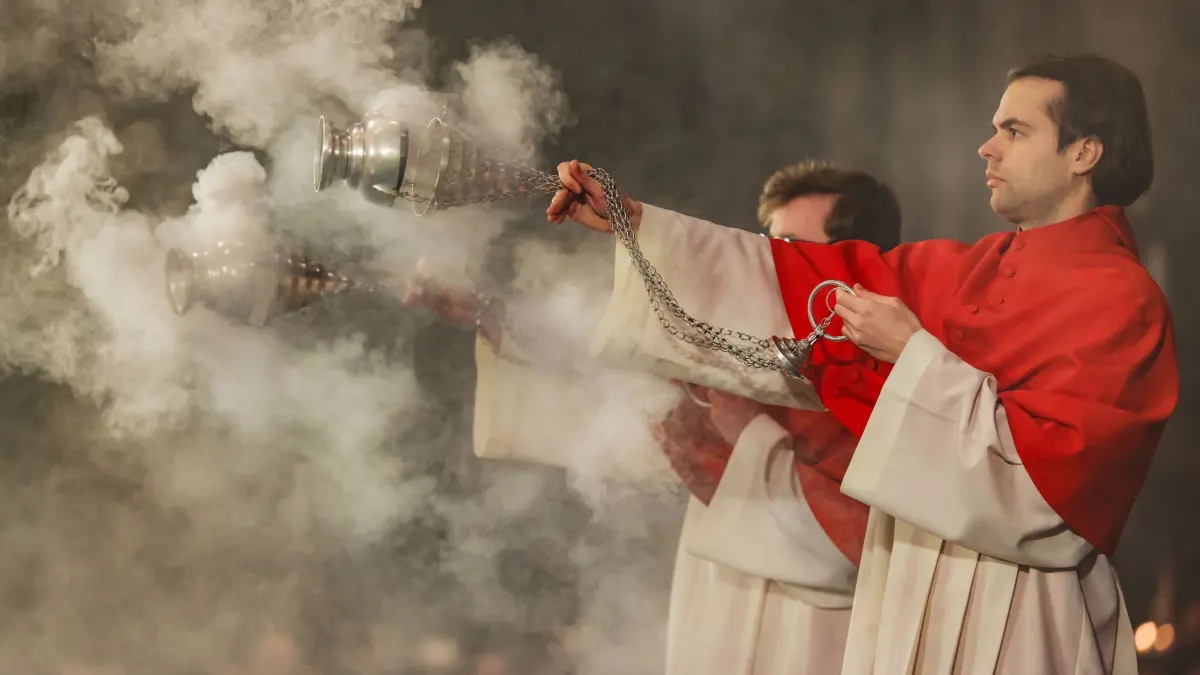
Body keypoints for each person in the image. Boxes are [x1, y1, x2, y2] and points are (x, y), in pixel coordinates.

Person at [547, 53, 1178, 674]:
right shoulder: (964, 270)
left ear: (1083, 153)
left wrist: (913, 355)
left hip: (1023, 607)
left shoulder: (1122, 298)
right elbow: (804, 278)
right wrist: (637, 225)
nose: (987, 148)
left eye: (1015, 131)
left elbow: (1049, 496)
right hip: (908, 576)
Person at [405, 161, 901, 675]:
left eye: (792, 248)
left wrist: (742, 436)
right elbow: (608, 380)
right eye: (768, 243)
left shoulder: (879, 385)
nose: (772, 263)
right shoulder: (747, 357)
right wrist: (488, 312)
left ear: (856, 260)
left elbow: (850, 554)